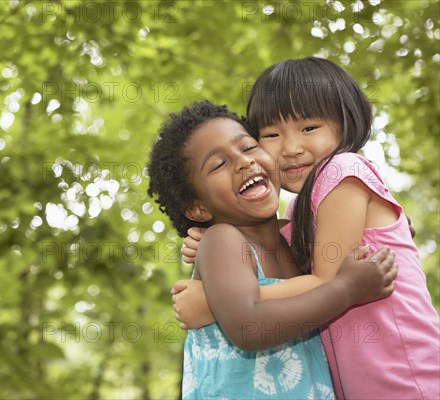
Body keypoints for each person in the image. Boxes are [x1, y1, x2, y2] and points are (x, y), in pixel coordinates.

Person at [173, 58, 440, 399]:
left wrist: (215, 303)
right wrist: (217, 247)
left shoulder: (342, 171)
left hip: (406, 375)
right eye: (271, 134)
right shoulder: (300, 207)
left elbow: (326, 282)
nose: (291, 147)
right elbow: (274, 257)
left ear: (344, 123)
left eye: (309, 128)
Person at [147, 100, 397, 399]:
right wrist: (346, 289)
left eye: (248, 147)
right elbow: (248, 327)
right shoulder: (222, 239)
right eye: (219, 164)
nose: (243, 161)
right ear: (199, 208)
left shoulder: (296, 242)